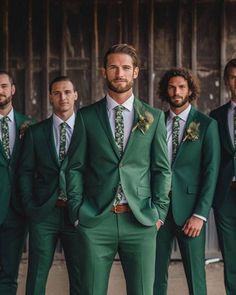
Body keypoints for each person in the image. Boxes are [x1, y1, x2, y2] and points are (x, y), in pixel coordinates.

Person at [66, 43, 171, 295]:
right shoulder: (86, 117)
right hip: (96, 219)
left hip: (141, 220)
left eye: (125, 67)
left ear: (136, 72)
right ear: (104, 71)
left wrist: (159, 213)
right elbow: (74, 168)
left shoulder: (154, 117)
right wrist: (78, 211)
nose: (119, 73)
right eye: (113, 67)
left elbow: (162, 170)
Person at [154, 68, 220, 295]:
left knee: (195, 276)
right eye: (171, 87)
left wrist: (200, 215)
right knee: (154, 275)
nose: (176, 91)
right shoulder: (155, 122)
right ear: (165, 91)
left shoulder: (206, 125)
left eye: (181, 87)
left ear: (190, 90)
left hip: (191, 213)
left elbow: (211, 172)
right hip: (159, 213)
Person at [18, 76, 81, 295]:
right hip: (44, 213)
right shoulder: (36, 132)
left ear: (75, 95)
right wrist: (29, 204)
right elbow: (25, 171)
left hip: (77, 213)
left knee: (81, 276)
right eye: (57, 93)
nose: (62, 97)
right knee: (36, 275)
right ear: (50, 97)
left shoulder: (87, 129)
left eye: (67, 92)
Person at [0, 71, 34, 295]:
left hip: (15, 212)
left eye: (3, 86)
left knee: (9, 275)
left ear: (12, 89)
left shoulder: (29, 126)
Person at [210, 58, 236, 295]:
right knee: (230, 254)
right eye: (234, 77)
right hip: (225, 195)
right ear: (227, 81)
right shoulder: (216, 115)